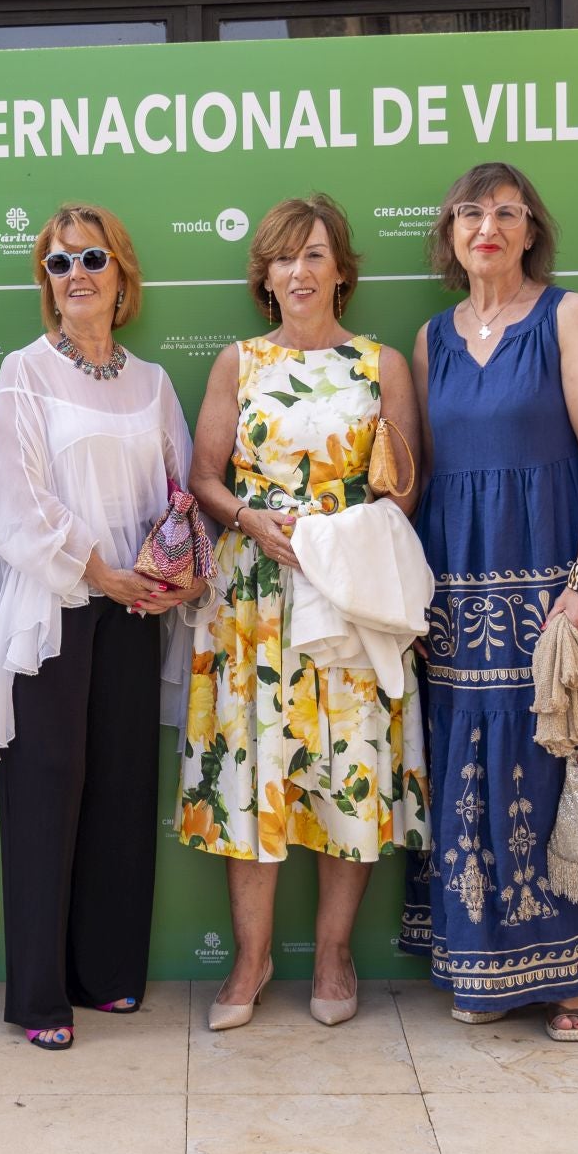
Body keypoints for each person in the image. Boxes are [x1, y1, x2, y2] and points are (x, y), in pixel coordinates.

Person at [399, 163, 578, 1038]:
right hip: (464, 580)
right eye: (471, 212)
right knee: (473, 759)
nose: (489, 225)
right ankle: (487, 965)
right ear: (449, 233)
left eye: (507, 213)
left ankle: (576, 974)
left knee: (569, 750)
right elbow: (426, 472)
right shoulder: (430, 339)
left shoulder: (568, 316)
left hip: (564, 571)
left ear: (531, 231)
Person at [174, 193, 429, 1031]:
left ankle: (332, 954)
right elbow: (204, 478)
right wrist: (251, 519)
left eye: (315, 254)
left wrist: (339, 527)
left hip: (349, 593)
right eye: (285, 257)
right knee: (254, 770)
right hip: (253, 599)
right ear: (266, 278)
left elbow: (406, 485)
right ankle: (249, 962)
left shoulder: (380, 364)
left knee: (345, 768)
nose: (299, 270)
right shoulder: (237, 363)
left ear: (342, 271)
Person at [0, 203, 206, 1051]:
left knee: (121, 788)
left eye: (91, 259)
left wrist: (173, 577)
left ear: (122, 275)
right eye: (58, 265)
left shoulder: (154, 384)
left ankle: (107, 974)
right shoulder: (23, 373)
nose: (76, 276)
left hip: (135, 612)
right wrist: (99, 569)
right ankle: (38, 997)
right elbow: (19, 505)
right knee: (44, 792)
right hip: (53, 607)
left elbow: (181, 493)